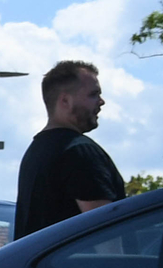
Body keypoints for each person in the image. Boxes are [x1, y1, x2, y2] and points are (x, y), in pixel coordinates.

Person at [14, 60, 125, 239]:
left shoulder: (36, 151)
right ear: (65, 100)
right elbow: (105, 235)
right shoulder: (80, 152)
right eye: (93, 94)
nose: (101, 102)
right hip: (78, 267)